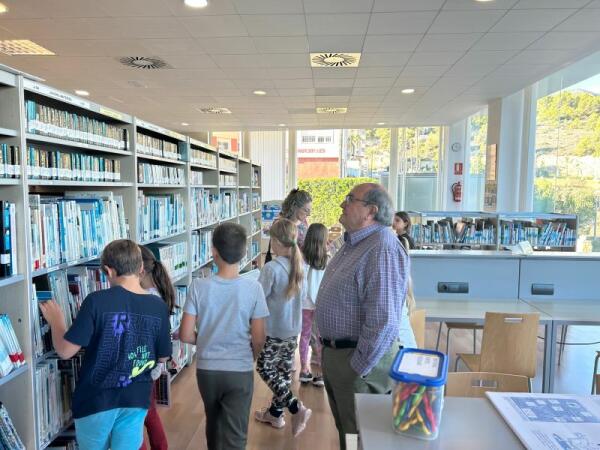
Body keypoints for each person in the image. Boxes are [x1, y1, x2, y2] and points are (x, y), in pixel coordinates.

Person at [39, 239, 172, 450]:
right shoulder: (158, 306)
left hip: (97, 401)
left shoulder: (96, 301)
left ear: (108, 271)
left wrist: (57, 322)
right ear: (140, 268)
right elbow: (163, 357)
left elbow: (65, 351)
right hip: (136, 399)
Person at [316, 183, 409, 450]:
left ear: (371, 211)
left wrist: (358, 368)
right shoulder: (356, 242)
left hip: (357, 362)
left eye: (349, 199)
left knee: (361, 436)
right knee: (348, 431)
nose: (342, 204)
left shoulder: (381, 248)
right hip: (340, 357)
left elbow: (384, 320)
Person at [179, 223, 269, 450]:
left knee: (214, 423)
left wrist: (208, 339)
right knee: (235, 435)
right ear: (244, 253)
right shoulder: (253, 289)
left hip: (207, 370)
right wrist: (253, 357)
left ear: (213, 251)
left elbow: (185, 334)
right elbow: (259, 338)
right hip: (239, 369)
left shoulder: (198, 286)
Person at [254, 219, 312, 437]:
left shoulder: (271, 268)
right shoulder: (300, 267)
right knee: (283, 372)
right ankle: (275, 414)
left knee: (264, 368)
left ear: (276, 242)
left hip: (274, 331)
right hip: (292, 331)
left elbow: (258, 300)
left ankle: (296, 408)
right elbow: (303, 298)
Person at [139, 245, 176, 450]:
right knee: (149, 413)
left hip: (145, 366)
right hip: (152, 366)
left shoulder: (147, 298)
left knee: (140, 418)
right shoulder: (157, 292)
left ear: (139, 270)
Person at [298, 223, 328, 387]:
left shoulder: (301, 256)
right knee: (320, 338)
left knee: (304, 336)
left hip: (304, 304)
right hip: (321, 303)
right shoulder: (327, 258)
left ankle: (304, 369)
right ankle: (321, 373)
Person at [265, 189, 312, 262]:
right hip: (287, 267)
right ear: (294, 207)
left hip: (302, 267)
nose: (309, 214)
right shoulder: (281, 225)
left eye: (309, 210)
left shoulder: (304, 222)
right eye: (306, 210)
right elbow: (278, 250)